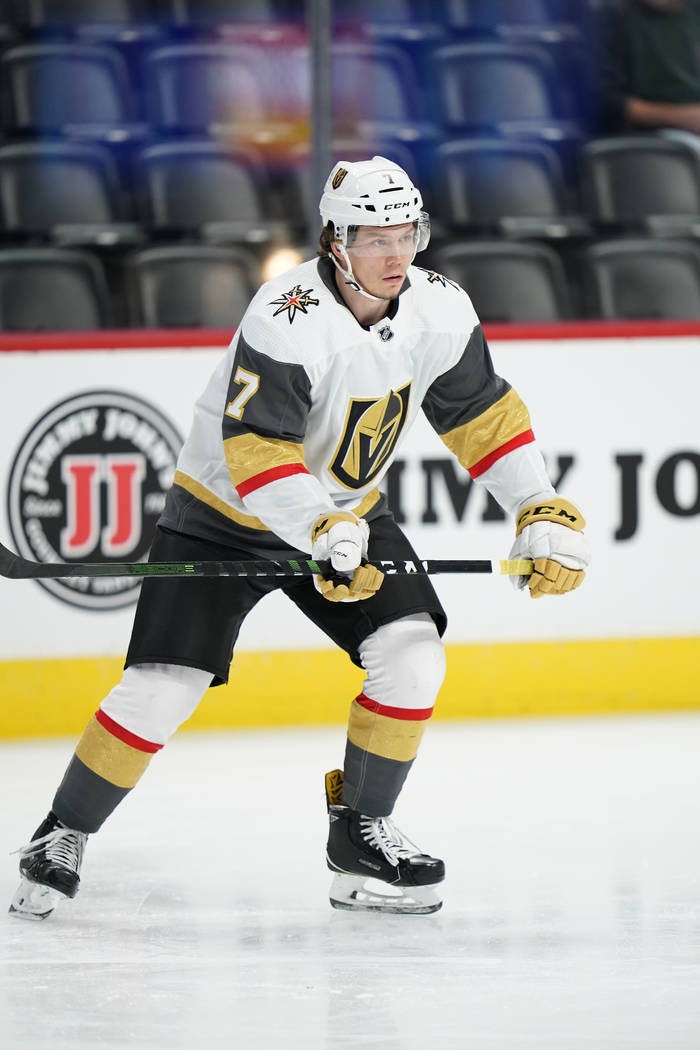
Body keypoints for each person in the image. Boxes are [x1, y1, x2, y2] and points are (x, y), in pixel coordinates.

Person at [10, 156, 590, 919]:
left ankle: (360, 838)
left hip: (349, 513)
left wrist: (537, 505)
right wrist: (320, 527)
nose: (394, 253)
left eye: (405, 232)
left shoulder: (440, 308)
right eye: (372, 236)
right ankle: (62, 833)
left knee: (413, 657)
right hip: (224, 516)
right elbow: (258, 450)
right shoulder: (283, 314)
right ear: (334, 241)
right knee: (161, 690)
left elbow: (482, 416)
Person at [595, 0, 700, 136]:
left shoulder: (693, 12)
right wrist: (682, 117)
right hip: (656, 137)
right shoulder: (615, 16)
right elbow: (608, 103)